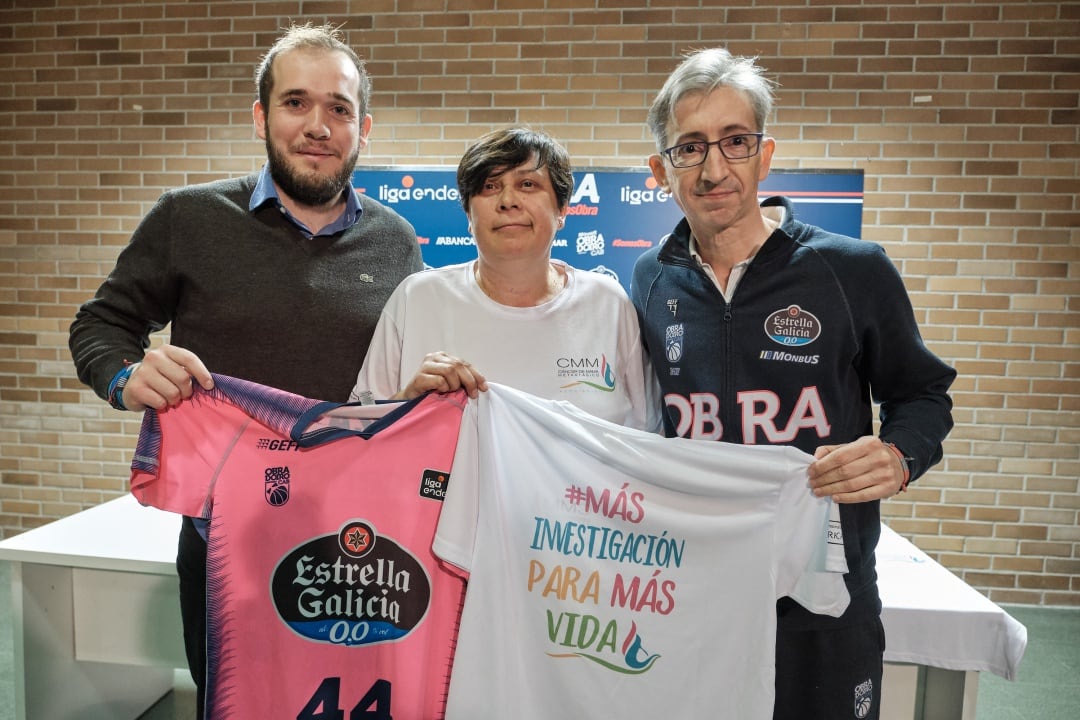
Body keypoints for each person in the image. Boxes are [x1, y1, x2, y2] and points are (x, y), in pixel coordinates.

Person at [68, 23, 423, 719]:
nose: (318, 125)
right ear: (261, 116)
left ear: (364, 127)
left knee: (354, 701)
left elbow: (411, 374)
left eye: (339, 108)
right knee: (233, 702)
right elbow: (99, 326)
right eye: (296, 103)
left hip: (361, 544)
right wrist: (124, 375)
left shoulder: (396, 241)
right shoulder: (189, 218)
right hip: (225, 536)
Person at [631, 48, 955, 720]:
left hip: (822, 600)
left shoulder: (851, 269)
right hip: (696, 592)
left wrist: (899, 455)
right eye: (690, 147)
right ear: (662, 171)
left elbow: (922, 395)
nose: (715, 168)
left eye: (735, 141)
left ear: (765, 154)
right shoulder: (649, 279)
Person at [351, 125, 660, 432]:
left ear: (562, 209)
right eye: (489, 186)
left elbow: (648, 434)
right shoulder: (416, 299)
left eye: (527, 184)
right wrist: (406, 403)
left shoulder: (607, 303)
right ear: (469, 216)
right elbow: (356, 431)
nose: (508, 200)